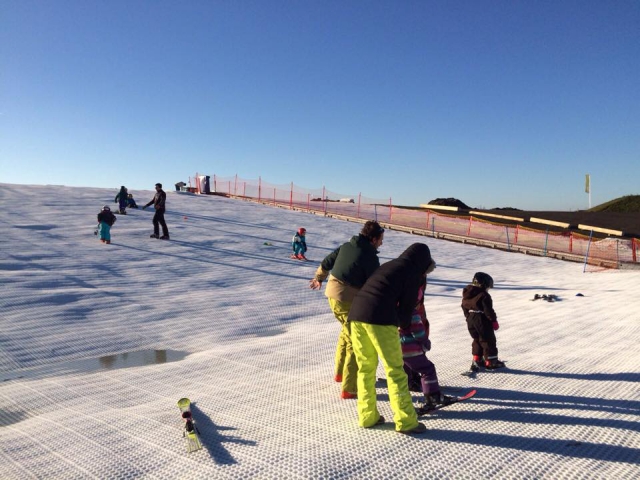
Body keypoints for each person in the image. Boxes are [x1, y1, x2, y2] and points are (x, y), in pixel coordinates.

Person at [347, 242, 433, 434]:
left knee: (366, 369)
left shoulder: (390, 265)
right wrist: (408, 330)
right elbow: (406, 312)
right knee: (395, 370)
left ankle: (367, 416)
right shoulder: (412, 273)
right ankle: (406, 421)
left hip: (356, 315)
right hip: (380, 320)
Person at [309, 221, 384, 399]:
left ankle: (340, 373)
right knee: (355, 340)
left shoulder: (347, 245)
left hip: (333, 295)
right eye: (381, 239)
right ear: (373, 239)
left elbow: (327, 262)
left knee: (346, 331)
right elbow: (375, 283)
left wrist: (319, 277)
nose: (382, 242)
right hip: (346, 298)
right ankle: (349, 388)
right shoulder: (369, 256)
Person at [400, 260, 454, 411]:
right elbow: (418, 330)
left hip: (395, 345)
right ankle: (432, 396)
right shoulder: (412, 312)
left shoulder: (395, 309)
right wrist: (425, 342)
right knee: (427, 369)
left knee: (403, 367)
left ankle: (407, 390)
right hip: (410, 346)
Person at [461, 272, 505, 371]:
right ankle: (491, 361)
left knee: (477, 338)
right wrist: (493, 320)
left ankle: (477, 359)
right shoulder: (484, 295)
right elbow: (488, 310)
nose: (488, 289)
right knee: (487, 339)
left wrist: (468, 317)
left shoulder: (467, 293)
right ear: (483, 285)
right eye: (488, 287)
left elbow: (463, 306)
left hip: (471, 319)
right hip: (481, 318)